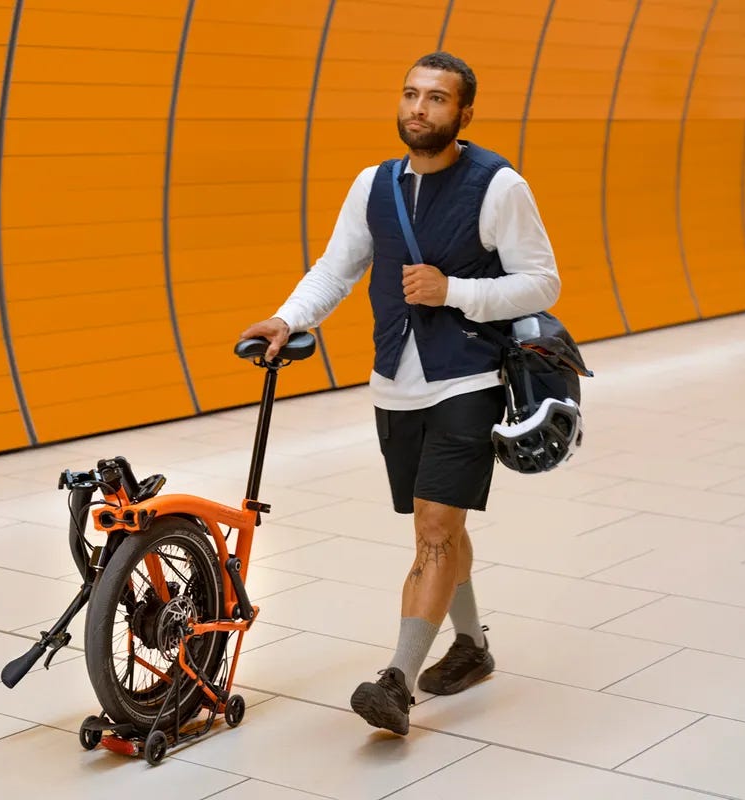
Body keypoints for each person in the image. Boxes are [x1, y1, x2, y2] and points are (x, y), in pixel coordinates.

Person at [240, 52, 560, 735]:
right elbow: (338, 266)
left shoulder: (499, 185)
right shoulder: (373, 185)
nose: (419, 108)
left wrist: (456, 292)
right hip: (395, 382)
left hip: (470, 376)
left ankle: (396, 681)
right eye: (412, 94)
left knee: (436, 530)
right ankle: (470, 647)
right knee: (437, 527)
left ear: (463, 113)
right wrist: (289, 318)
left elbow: (541, 282)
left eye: (437, 99)